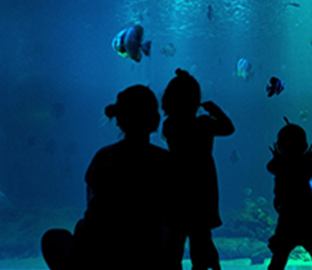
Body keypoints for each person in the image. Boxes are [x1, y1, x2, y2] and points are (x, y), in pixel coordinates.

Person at [41, 85, 173, 270]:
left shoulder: (103, 157)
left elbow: (93, 204)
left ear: (118, 120)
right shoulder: (165, 161)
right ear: (155, 120)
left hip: (97, 254)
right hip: (146, 254)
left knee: (53, 238)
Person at [161, 69, 235, 270]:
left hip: (177, 186)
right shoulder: (204, 124)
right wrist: (215, 110)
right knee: (201, 237)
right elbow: (228, 128)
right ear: (196, 99)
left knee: (174, 239)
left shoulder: (169, 124)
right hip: (203, 185)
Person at [265, 119, 312, 270]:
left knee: (279, 255)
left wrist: (277, 157)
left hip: (287, 217)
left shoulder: (279, 164)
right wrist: (307, 159)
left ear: (279, 145)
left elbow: (270, 168)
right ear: (305, 146)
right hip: (307, 216)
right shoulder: (305, 164)